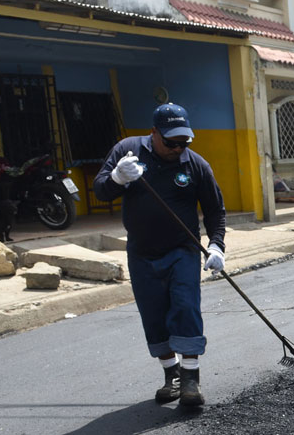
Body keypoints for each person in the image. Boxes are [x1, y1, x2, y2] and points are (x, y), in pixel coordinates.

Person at [93, 102, 226, 408]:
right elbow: (100, 191)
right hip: (141, 252)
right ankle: (172, 375)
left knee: (186, 307)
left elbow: (215, 211)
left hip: (182, 250)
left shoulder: (196, 166)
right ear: (153, 133)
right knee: (153, 316)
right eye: (171, 142)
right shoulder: (127, 151)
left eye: (184, 142)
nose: (178, 148)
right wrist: (117, 179)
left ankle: (191, 379)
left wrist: (217, 245)